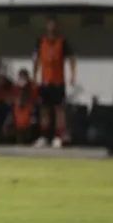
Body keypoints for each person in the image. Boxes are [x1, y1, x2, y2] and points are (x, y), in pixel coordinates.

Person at [33, 19, 76, 148]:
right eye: (49, 30)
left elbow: (72, 59)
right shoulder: (41, 43)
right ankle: (44, 136)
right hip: (45, 82)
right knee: (44, 110)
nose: (51, 33)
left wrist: (72, 76)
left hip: (58, 82)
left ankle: (58, 136)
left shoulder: (62, 42)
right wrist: (34, 76)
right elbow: (36, 60)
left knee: (59, 110)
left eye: (53, 30)